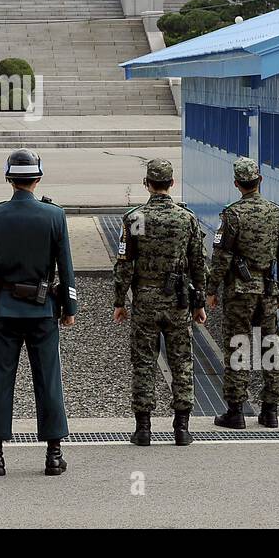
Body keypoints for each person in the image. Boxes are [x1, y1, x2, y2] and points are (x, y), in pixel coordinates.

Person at [0, 149, 77, 476]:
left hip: (4, 312)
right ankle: (54, 455)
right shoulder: (54, 216)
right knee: (48, 380)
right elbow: (66, 268)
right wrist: (69, 308)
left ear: (8, 178)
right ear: (38, 178)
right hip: (43, 312)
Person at [113, 158, 207, 446]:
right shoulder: (186, 219)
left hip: (146, 300)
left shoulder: (136, 219)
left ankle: (143, 429)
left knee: (143, 362)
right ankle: (182, 428)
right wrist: (198, 303)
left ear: (147, 184)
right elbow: (198, 264)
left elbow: (125, 264)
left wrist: (120, 301)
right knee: (181, 362)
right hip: (178, 301)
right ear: (172, 184)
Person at [205, 157, 279, 430]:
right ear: (260, 180)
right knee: (271, 348)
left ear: (236, 184)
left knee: (238, 348)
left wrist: (211, 290)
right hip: (268, 290)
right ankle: (270, 411)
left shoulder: (231, 215)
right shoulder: (278, 213)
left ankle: (236, 411)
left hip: (240, 293)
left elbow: (221, 258)